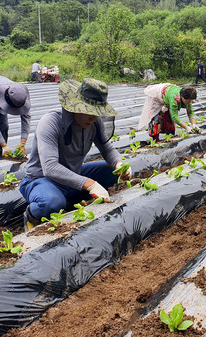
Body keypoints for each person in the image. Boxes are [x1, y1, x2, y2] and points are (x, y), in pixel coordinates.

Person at [20, 78, 132, 231]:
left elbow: (106, 148)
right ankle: (31, 215)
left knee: (112, 172)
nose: (93, 117)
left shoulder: (94, 123)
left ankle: (72, 198)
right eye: (89, 111)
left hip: (72, 175)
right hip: (42, 179)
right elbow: (50, 168)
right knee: (52, 203)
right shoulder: (51, 122)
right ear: (75, 106)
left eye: (97, 112)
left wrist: (119, 164)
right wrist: (90, 184)